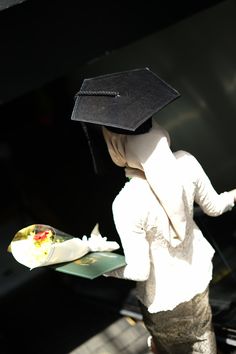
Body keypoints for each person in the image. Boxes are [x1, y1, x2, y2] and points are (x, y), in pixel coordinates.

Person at [71, 68, 236, 353]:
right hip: (198, 285)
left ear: (116, 147)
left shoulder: (126, 202)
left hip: (163, 304)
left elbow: (138, 269)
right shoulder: (186, 162)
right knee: (204, 339)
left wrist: (102, 266)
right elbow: (217, 207)